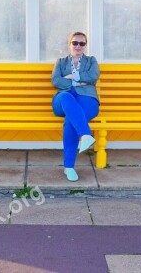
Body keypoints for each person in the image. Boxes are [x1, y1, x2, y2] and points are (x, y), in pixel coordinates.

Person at [51, 31, 100, 182]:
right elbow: (55, 80)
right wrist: (78, 82)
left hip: (87, 99)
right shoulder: (61, 62)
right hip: (63, 100)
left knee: (71, 122)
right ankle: (85, 134)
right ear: (70, 44)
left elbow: (93, 76)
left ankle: (69, 167)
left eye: (82, 43)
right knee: (66, 97)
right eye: (75, 43)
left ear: (85, 46)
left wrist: (73, 76)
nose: (78, 46)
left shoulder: (91, 61)